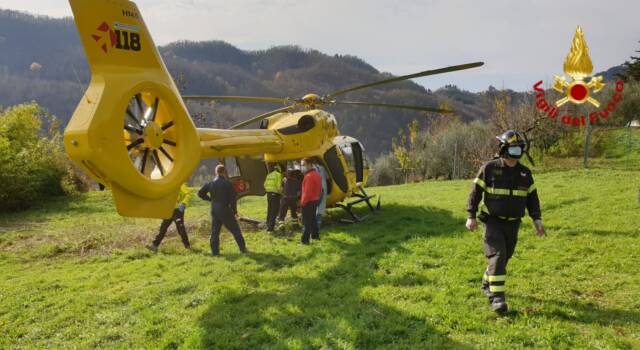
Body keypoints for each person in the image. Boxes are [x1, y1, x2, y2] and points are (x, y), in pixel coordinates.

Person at [466, 130, 546, 314]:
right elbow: (475, 193)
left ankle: (487, 282)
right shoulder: (489, 168)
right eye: (513, 148)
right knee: (498, 256)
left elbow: (532, 198)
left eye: (519, 149)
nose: (517, 152)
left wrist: (537, 220)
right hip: (493, 222)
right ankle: (497, 299)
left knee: (504, 258)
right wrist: (471, 216)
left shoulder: (525, 173)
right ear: (503, 148)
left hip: (513, 224)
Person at [198, 164, 247, 256]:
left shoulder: (210, 183)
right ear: (224, 172)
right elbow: (233, 199)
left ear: (216, 172)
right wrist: (235, 211)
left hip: (214, 210)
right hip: (224, 209)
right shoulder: (227, 183)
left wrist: (210, 199)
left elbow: (200, 193)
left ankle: (215, 252)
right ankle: (243, 249)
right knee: (235, 230)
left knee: (214, 232)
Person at [147, 183, 192, 253]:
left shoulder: (179, 183)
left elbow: (188, 193)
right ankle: (154, 246)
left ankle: (188, 247)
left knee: (180, 228)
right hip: (168, 210)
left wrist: (184, 203)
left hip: (178, 211)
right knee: (163, 228)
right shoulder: (166, 184)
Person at [300, 158, 322, 244]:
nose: (302, 167)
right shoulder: (317, 175)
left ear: (309, 165)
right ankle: (315, 236)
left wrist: (303, 203)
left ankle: (305, 241)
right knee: (313, 219)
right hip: (315, 200)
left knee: (306, 222)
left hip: (308, 202)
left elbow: (307, 192)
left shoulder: (308, 176)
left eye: (303, 165)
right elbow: (320, 189)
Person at [263, 163, 283, 232]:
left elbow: (265, 185)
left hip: (268, 194)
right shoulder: (278, 175)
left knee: (270, 209)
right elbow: (279, 187)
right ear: (280, 169)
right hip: (275, 194)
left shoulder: (269, 175)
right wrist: (282, 193)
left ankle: (268, 224)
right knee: (274, 211)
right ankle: (270, 228)